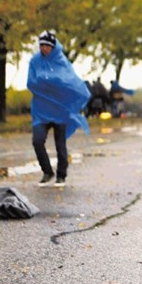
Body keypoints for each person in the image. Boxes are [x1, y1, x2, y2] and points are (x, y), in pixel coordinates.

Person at [27, 31, 91, 187]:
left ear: (53, 47)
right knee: (37, 141)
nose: (44, 49)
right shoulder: (35, 61)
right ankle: (47, 172)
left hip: (60, 109)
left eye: (47, 46)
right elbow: (31, 83)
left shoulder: (62, 61)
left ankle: (61, 175)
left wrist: (48, 82)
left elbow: (69, 82)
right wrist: (51, 84)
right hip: (41, 110)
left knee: (60, 144)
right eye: (42, 45)